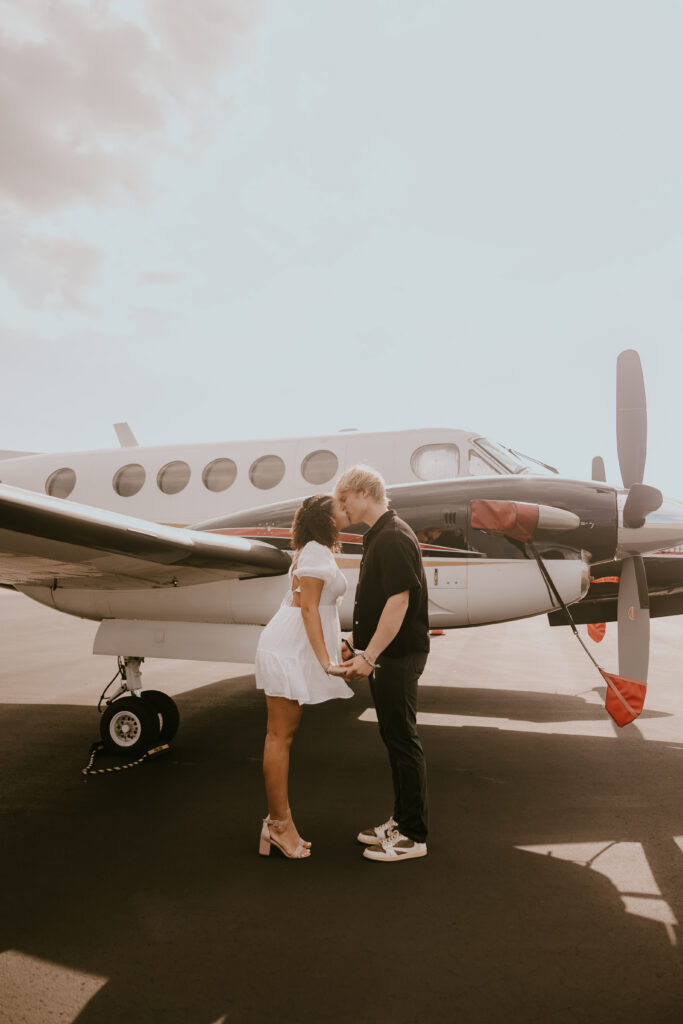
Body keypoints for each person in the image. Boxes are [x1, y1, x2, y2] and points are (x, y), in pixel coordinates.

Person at [334, 465, 430, 863]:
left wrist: (369, 657)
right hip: (386, 655)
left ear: (363, 492)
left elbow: (399, 601)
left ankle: (413, 835)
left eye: (344, 499)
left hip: (396, 656)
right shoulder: (381, 535)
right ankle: (401, 820)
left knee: (402, 740)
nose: (341, 507)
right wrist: (357, 646)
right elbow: (380, 603)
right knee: (394, 738)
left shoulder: (392, 536)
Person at [255, 494, 352, 859]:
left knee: (285, 735)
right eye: (340, 508)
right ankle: (278, 826)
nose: (347, 511)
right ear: (327, 518)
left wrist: (336, 644)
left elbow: (306, 606)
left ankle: (281, 823)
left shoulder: (316, 550)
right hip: (286, 651)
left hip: (291, 647)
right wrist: (326, 661)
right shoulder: (314, 552)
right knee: (279, 737)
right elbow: (308, 608)